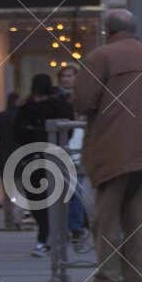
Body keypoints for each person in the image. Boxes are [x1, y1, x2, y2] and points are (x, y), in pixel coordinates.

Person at [70, 10, 142, 282]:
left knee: (105, 219)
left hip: (111, 149)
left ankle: (107, 279)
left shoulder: (101, 58)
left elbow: (83, 102)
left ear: (107, 30)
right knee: (138, 220)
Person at [11, 74, 75, 256]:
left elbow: (18, 133)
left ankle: (47, 235)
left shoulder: (32, 107)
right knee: (46, 199)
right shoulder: (52, 105)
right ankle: (50, 234)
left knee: (42, 199)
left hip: (38, 157)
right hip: (46, 156)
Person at [53, 64, 88, 252]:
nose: (67, 79)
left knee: (75, 191)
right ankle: (68, 227)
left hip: (79, 147)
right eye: (63, 76)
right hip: (62, 147)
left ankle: (75, 227)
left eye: (70, 75)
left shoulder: (82, 96)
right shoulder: (57, 99)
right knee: (63, 191)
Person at [0, 92, 19, 227]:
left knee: (9, 192)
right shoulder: (23, 118)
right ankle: (18, 219)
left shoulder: (0, 117)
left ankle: (10, 220)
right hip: (23, 157)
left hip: (5, 157)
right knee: (22, 189)